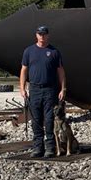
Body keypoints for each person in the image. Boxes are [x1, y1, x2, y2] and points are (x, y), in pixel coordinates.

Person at [20, 25, 66, 158]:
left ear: (48, 35)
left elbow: (61, 71)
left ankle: (50, 147)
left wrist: (63, 88)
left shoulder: (54, 52)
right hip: (34, 89)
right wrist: (22, 88)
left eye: (44, 34)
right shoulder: (29, 51)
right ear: (36, 35)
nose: (42, 36)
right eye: (40, 34)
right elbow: (24, 70)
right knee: (36, 119)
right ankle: (37, 147)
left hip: (50, 89)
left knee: (49, 119)